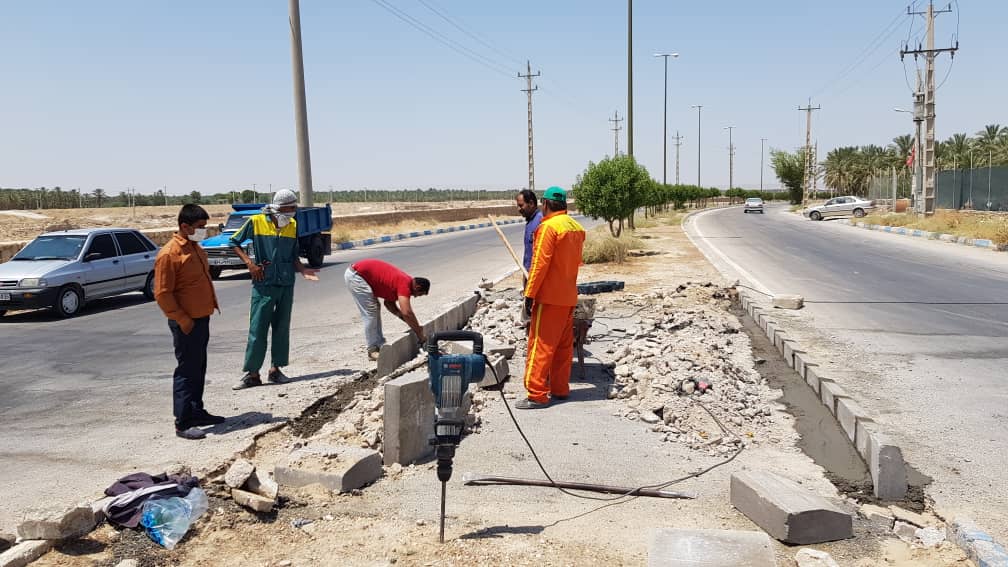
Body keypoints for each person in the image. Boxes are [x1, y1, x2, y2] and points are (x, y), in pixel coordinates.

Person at [230, 189, 319, 390]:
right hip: (264, 283)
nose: (294, 211)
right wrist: (249, 264)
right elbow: (234, 242)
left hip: (286, 283)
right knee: (258, 329)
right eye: (291, 207)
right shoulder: (257, 221)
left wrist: (304, 271)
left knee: (281, 328)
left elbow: (293, 255)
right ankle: (252, 374)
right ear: (280, 207)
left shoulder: (292, 225)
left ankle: (275, 370)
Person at [153, 204, 224, 440]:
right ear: (185, 226)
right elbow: (163, 294)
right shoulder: (169, 254)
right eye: (200, 227)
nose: (203, 231)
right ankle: (182, 422)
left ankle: (196, 411)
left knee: (198, 367)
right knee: (186, 370)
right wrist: (182, 319)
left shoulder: (195, 248)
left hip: (201, 318)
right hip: (186, 322)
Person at [518, 186, 585, 409]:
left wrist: (530, 295)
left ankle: (536, 394)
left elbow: (539, 265)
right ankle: (560, 388)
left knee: (541, 345)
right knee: (563, 347)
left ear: (545, 204)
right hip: (568, 297)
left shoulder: (548, 227)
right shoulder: (575, 227)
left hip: (549, 299)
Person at [344, 258, 430, 360]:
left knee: (375, 308)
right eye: (419, 294)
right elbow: (407, 312)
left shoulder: (403, 282)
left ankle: (379, 344)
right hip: (356, 276)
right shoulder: (405, 284)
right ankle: (372, 350)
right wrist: (419, 332)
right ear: (417, 287)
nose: (415, 297)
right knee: (371, 311)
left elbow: (389, 304)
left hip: (359, 274)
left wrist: (405, 319)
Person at [516, 189, 542, 280]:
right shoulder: (530, 222)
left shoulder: (541, 222)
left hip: (537, 276)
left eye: (521, 205)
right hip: (528, 274)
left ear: (531, 203)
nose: (518, 209)